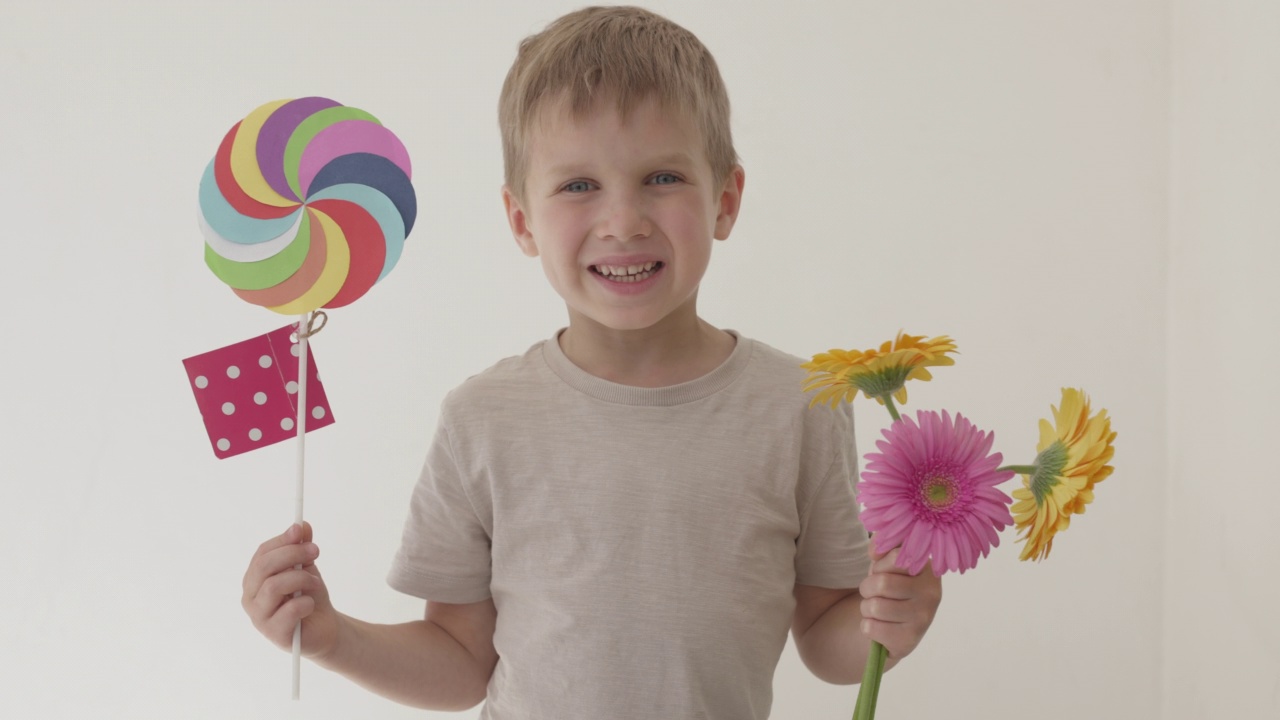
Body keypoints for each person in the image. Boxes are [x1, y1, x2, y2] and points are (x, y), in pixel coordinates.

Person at [241, 6, 942, 718]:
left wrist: (887, 619)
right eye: (578, 186)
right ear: (522, 221)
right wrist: (331, 638)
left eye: (662, 177)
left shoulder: (801, 404)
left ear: (725, 200)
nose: (623, 221)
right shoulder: (483, 418)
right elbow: (458, 662)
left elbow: (827, 641)